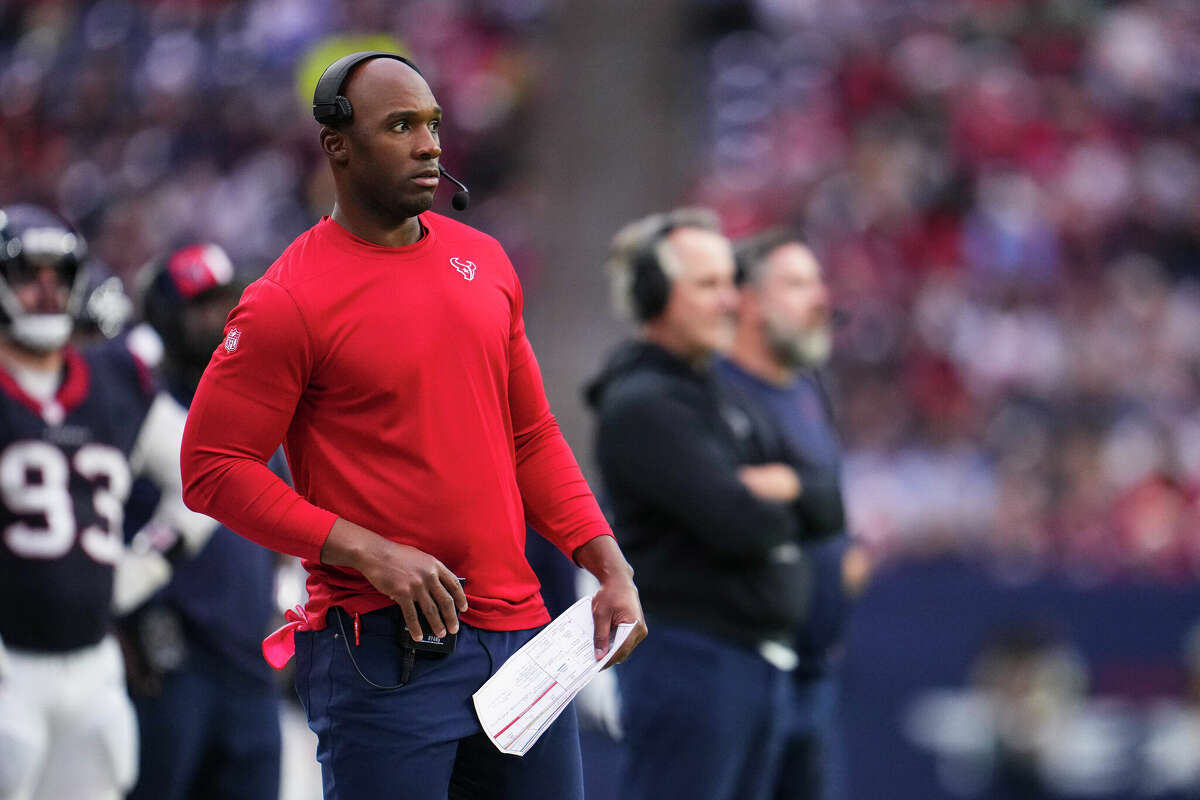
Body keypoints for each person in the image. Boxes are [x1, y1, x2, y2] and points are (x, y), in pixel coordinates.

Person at [178, 51, 646, 800]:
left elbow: (530, 435)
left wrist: (606, 562)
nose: (430, 144)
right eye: (401, 126)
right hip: (381, 648)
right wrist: (368, 552)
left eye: (431, 124)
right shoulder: (285, 299)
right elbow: (211, 469)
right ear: (338, 146)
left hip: (521, 637)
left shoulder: (486, 260)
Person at [584, 208, 809, 800]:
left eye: (731, 283)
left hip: (745, 663)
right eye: (708, 284)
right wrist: (778, 495)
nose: (731, 301)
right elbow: (741, 522)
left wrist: (785, 492)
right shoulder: (643, 405)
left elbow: (819, 493)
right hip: (691, 662)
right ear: (655, 295)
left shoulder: (720, 393)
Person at [0, 204, 215, 800]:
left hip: (91, 663)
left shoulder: (114, 383)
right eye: (27, 274)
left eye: (58, 275)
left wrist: (146, 564)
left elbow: (206, 474)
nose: (45, 292)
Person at [122, 243, 283, 800]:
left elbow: (291, 533)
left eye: (226, 301)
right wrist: (126, 623)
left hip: (251, 671)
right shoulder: (135, 408)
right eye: (202, 305)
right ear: (167, 316)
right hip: (172, 666)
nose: (222, 319)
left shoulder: (263, 408)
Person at [716, 232, 871, 800]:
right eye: (799, 284)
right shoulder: (710, 392)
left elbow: (822, 497)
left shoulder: (807, 387)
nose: (820, 299)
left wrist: (849, 552)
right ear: (750, 302)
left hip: (814, 675)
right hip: (740, 673)